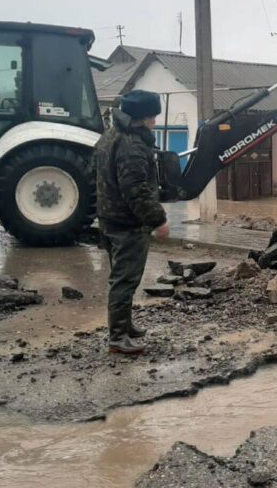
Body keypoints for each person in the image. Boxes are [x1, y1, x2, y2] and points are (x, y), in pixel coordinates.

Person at [94, 90, 171, 355]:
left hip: (110, 218)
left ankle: (125, 326)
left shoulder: (111, 135)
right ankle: (117, 338)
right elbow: (136, 189)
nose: (155, 122)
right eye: (153, 117)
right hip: (127, 224)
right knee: (124, 281)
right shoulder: (132, 146)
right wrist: (157, 219)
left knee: (121, 278)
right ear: (144, 117)